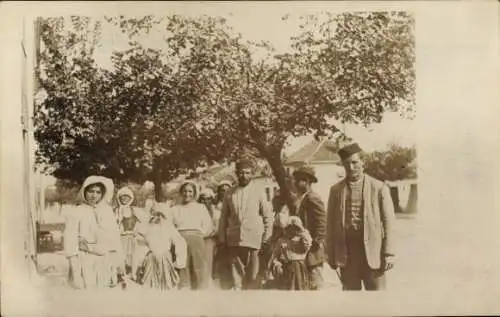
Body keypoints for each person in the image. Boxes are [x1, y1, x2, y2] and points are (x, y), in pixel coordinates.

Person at [326, 143, 396, 291]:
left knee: (377, 301)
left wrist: (389, 253)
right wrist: (331, 254)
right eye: (346, 164)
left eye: (355, 162)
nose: (351, 168)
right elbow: (330, 225)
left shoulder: (378, 188)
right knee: (351, 302)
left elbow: (389, 222)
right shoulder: (336, 191)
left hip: (373, 253)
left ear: (362, 162)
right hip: (348, 255)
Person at [217, 158, 274, 290]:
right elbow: (223, 218)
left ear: (252, 174)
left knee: (253, 275)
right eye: (241, 173)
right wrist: (222, 238)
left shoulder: (259, 191)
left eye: (247, 173)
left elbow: (268, 216)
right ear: (237, 173)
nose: (244, 176)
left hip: (254, 238)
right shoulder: (229, 193)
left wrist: (267, 237)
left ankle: (252, 298)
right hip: (234, 238)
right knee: (236, 275)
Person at [63, 176, 124, 289]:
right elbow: (70, 242)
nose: (94, 195)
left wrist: (118, 264)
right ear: (84, 191)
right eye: (91, 191)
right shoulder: (76, 212)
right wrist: (76, 272)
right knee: (87, 295)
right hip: (85, 260)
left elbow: (114, 239)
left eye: (98, 192)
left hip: (104, 260)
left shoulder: (107, 212)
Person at [170, 181, 212, 290]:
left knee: (198, 267)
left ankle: (199, 292)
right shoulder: (175, 209)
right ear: (181, 192)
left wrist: (199, 236)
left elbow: (208, 225)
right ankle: (184, 291)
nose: (187, 194)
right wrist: (177, 238)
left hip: (197, 240)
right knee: (182, 266)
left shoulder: (200, 207)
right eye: (184, 191)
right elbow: (170, 226)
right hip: (180, 241)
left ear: (194, 193)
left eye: (190, 191)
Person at [292, 165, 327, 290]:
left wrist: (316, 242)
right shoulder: (301, 198)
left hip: (313, 251)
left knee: (315, 282)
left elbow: (322, 222)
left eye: (298, 180)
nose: (295, 183)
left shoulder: (313, 198)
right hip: (304, 248)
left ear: (306, 182)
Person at [135, 211, 187, 291]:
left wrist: (179, 260)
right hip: (151, 258)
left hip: (165, 258)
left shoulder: (168, 228)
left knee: (166, 282)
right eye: (154, 216)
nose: (156, 218)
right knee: (149, 283)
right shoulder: (147, 228)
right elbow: (140, 241)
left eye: (159, 216)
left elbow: (180, 242)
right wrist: (141, 259)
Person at [266, 216, 312, 290]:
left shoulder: (301, 241)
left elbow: (308, 244)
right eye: (288, 228)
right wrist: (277, 265)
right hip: (285, 269)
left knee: (300, 290)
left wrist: (302, 230)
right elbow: (275, 256)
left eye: (294, 228)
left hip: (299, 270)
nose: (291, 231)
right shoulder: (281, 241)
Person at [115, 186, 143, 280]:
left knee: (134, 255)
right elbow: (113, 224)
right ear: (119, 198)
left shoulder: (135, 210)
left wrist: (137, 232)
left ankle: (134, 274)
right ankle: (122, 275)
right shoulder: (116, 211)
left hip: (133, 236)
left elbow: (142, 222)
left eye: (127, 196)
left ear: (131, 198)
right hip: (121, 237)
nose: (124, 198)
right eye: (122, 197)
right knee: (121, 255)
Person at [198, 187, 220, 289]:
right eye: (203, 199)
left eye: (208, 199)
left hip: (211, 240)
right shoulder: (196, 210)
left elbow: (217, 227)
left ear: (211, 199)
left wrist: (209, 234)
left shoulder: (216, 212)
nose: (205, 201)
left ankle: (209, 285)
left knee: (210, 263)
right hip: (199, 240)